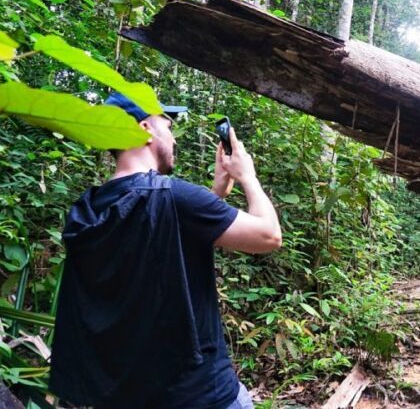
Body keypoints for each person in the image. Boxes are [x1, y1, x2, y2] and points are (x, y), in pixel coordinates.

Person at [49, 92, 281, 408]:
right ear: (145, 129)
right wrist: (247, 177)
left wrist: (216, 195)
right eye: (167, 126)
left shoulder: (87, 211)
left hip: (125, 397)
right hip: (201, 395)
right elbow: (268, 236)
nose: (173, 138)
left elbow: (160, 243)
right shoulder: (175, 197)